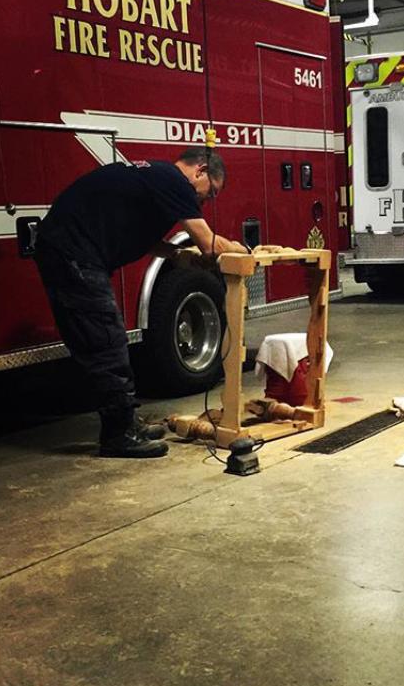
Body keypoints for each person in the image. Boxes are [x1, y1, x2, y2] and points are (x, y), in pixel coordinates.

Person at [34, 147, 247, 459]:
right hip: (72, 254)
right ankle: (119, 434)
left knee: (104, 338)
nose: (205, 201)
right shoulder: (175, 181)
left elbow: (137, 234)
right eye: (210, 192)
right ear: (200, 170)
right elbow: (210, 244)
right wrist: (243, 250)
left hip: (66, 249)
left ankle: (126, 422)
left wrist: (175, 254)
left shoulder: (155, 177)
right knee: (106, 341)